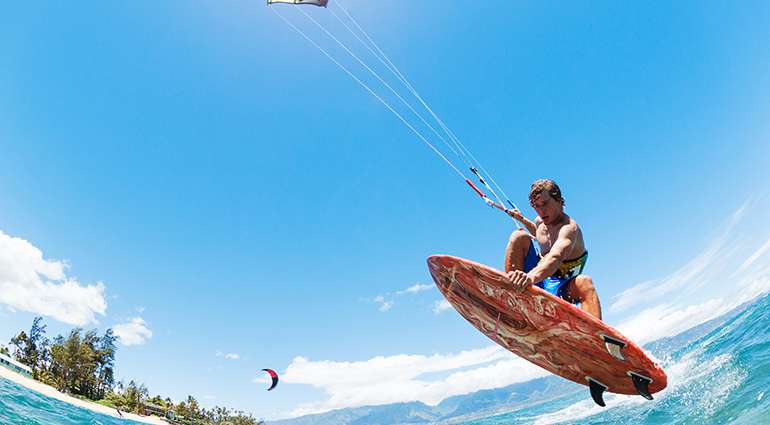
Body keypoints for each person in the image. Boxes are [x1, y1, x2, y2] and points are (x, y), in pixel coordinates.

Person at [503, 179, 602, 319]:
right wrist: (522, 219)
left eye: (545, 204)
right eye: (536, 206)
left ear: (559, 201)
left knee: (584, 282)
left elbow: (556, 257)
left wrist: (529, 277)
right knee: (518, 236)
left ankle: (594, 332)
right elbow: (541, 236)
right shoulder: (540, 222)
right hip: (539, 281)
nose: (541, 211)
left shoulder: (569, 229)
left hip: (563, 288)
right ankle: (514, 295)